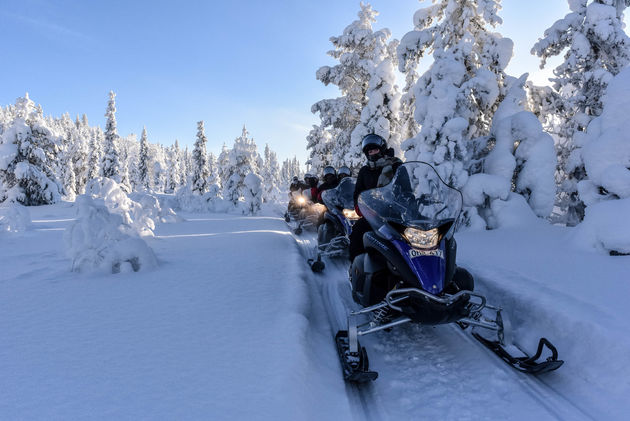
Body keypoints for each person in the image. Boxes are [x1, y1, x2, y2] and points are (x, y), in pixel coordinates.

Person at [349, 134, 402, 261]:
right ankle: (356, 266)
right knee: (357, 231)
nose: (372, 153)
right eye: (369, 151)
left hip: (395, 214)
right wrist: (359, 207)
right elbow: (358, 192)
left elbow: (406, 188)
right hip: (373, 215)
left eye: (375, 149)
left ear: (382, 149)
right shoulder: (364, 171)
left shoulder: (396, 166)